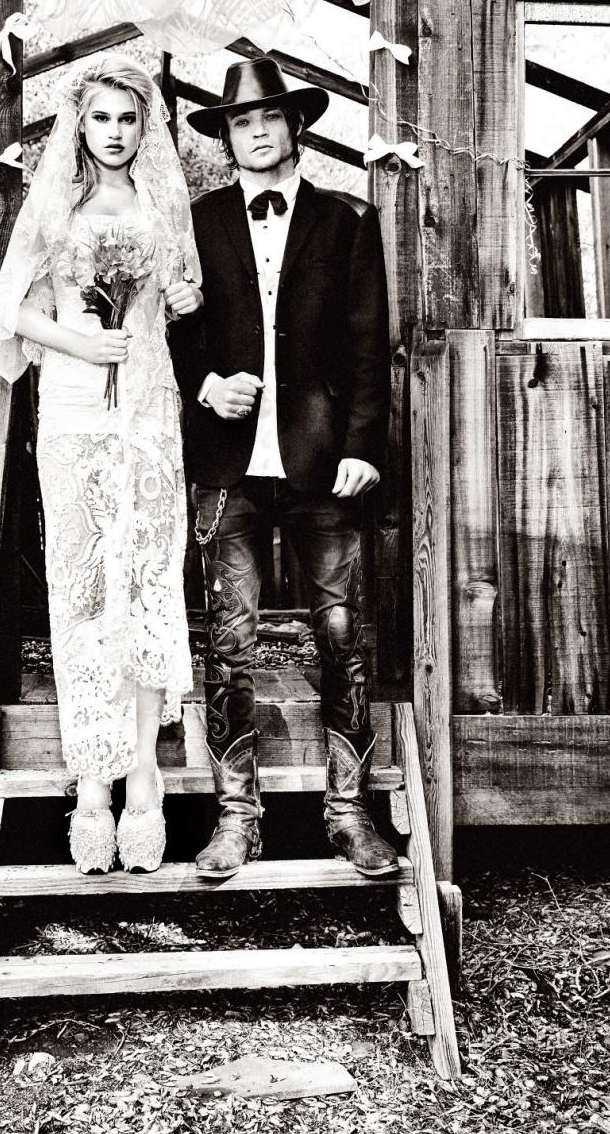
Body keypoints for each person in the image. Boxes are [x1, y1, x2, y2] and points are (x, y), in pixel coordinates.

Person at [173, 57, 398, 880]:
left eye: (270, 116)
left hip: (323, 464)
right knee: (229, 643)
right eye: (242, 121)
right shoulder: (194, 223)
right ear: (226, 136)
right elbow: (168, 330)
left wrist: (363, 446)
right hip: (227, 464)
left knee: (340, 636)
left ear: (295, 125)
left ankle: (349, 814)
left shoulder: (345, 220)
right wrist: (204, 383)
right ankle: (236, 819)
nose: (258, 131)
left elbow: (369, 344)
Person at [0, 55, 202, 874]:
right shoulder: (56, 205)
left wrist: (181, 299)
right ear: (79, 124)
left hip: (147, 409)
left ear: (146, 129)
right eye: (100, 117)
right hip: (75, 410)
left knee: (145, 586)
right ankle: (91, 784)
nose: (113, 132)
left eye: (128, 119)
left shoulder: (161, 204)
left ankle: (142, 774)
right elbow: (12, 314)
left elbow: (182, 295)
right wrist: (80, 342)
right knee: (82, 594)